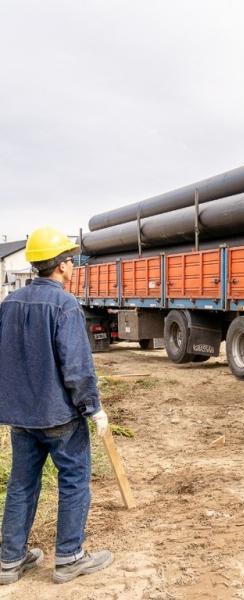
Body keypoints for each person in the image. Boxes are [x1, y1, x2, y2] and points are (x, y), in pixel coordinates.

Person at [0, 226, 113, 585]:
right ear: (62, 266)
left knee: (21, 484)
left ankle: (10, 560)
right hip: (60, 416)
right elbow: (77, 366)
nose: (74, 265)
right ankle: (69, 557)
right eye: (71, 260)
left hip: (22, 416)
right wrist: (93, 407)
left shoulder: (9, 304)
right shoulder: (64, 305)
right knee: (75, 480)